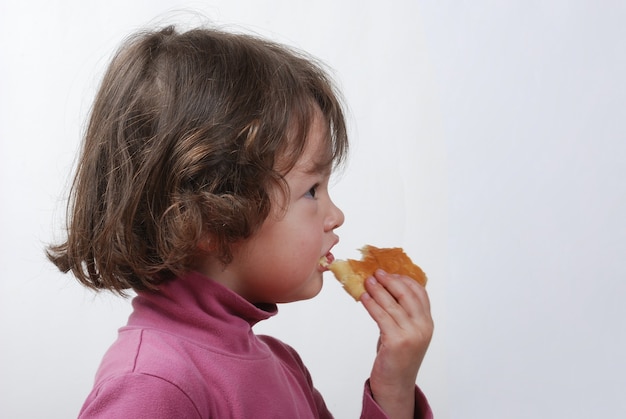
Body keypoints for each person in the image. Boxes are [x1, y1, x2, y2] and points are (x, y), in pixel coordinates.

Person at [47, 24, 434, 419]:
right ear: (207, 217)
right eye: (312, 191)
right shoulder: (152, 385)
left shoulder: (284, 365)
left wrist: (394, 386)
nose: (335, 216)